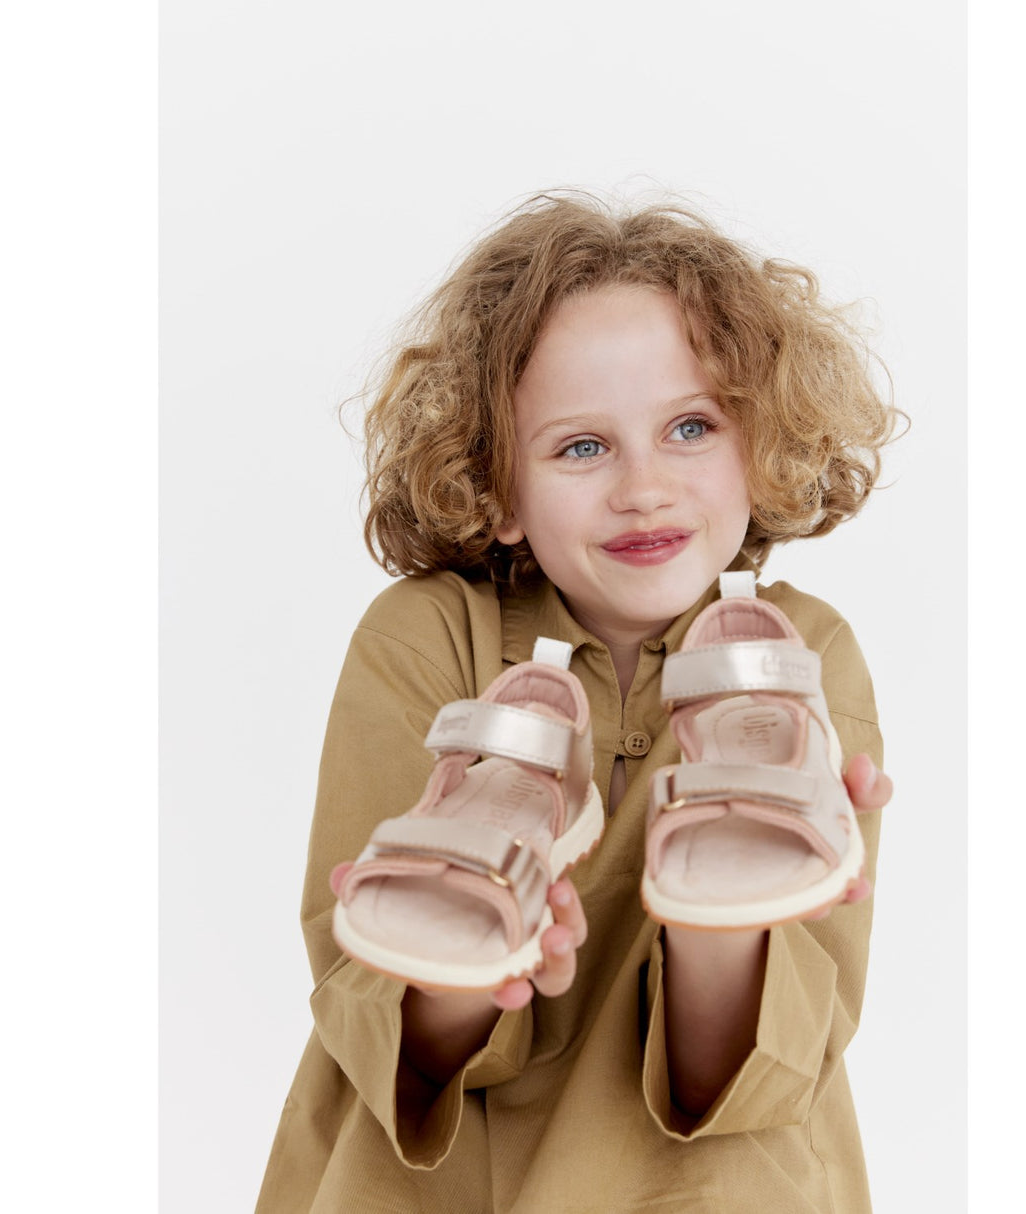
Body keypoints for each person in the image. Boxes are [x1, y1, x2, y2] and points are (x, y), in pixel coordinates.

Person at [257, 192, 899, 1213]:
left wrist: (725, 919)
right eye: (582, 447)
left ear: (760, 443)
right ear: (499, 488)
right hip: (438, 1194)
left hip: (714, 1191)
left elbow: (750, 1076)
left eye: (690, 426)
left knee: (735, 917)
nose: (643, 487)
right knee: (434, 927)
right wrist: (465, 969)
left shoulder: (802, 652)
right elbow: (380, 1030)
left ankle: (716, 880)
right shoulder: (425, 634)